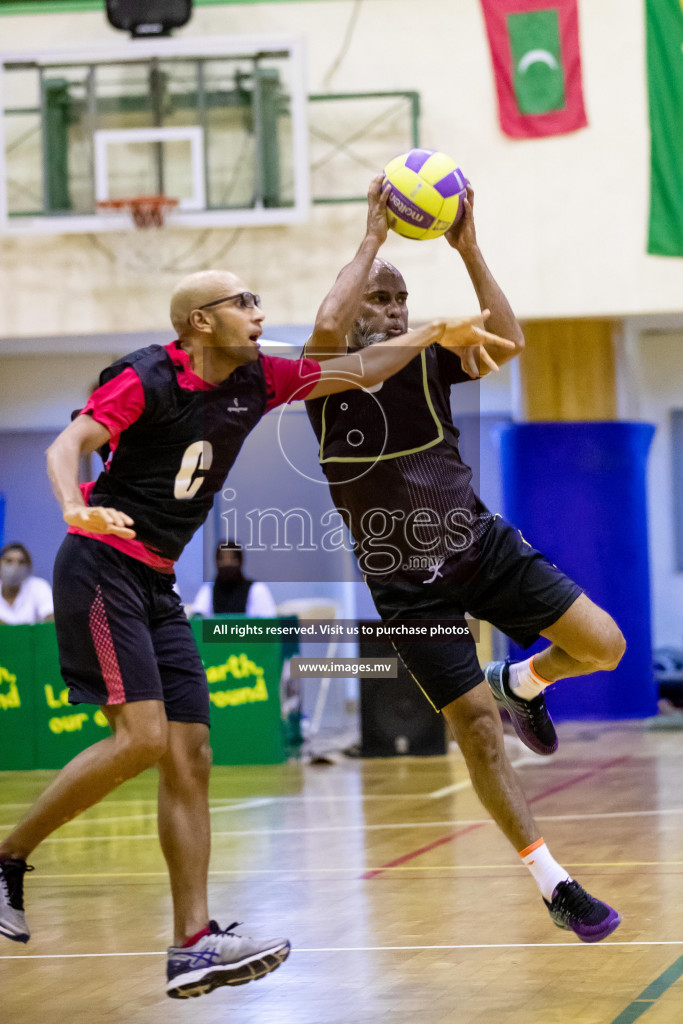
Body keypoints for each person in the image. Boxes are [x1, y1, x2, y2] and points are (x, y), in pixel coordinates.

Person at [0, 176, 514, 999]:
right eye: (244, 302)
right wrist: (74, 509)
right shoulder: (147, 378)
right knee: (140, 740)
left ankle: (192, 941)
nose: (259, 313)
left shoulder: (257, 380)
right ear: (200, 322)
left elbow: (351, 368)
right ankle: (6, 857)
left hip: (158, 584)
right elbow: (70, 445)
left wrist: (425, 334)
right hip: (99, 566)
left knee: (191, 754)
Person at [304, 182, 626, 943]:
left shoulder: (430, 364)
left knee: (604, 646)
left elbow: (509, 342)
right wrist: (372, 238)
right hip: (404, 589)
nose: (394, 309)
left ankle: (521, 678)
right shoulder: (320, 381)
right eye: (379, 299)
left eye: (401, 299)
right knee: (476, 732)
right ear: (354, 309)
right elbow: (323, 325)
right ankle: (554, 884)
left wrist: (468, 246)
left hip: (479, 547)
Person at [190, 541, 277, 618]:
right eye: (222, 560)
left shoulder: (257, 589)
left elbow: (268, 625)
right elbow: (198, 618)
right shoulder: (208, 590)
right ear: (216, 562)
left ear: (240, 561)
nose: (227, 563)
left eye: (232, 559)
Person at [0, 543, 54, 625]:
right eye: (9, 561)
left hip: (34, 638)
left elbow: (51, 619)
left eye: (21, 562)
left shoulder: (39, 587)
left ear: (29, 567)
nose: (15, 567)